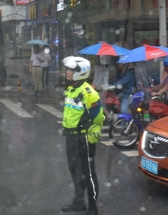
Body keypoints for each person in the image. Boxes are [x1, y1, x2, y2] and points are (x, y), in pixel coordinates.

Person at [61, 56, 104, 215]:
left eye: (71, 70)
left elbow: (98, 117)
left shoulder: (89, 92)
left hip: (83, 138)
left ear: (80, 72)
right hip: (71, 136)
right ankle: (79, 201)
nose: (67, 72)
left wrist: (90, 129)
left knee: (88, 172)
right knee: (74, 169)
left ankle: (92, 206)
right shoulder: (71, 89)